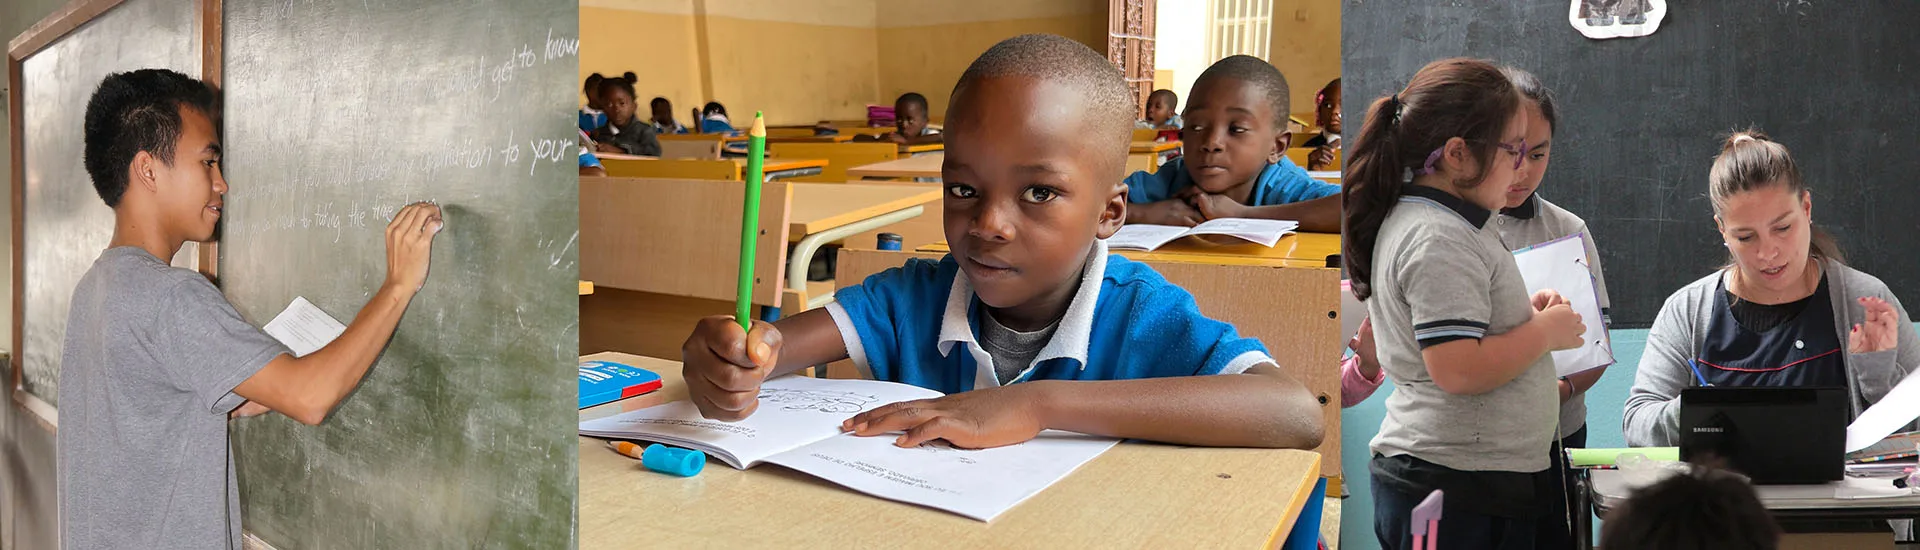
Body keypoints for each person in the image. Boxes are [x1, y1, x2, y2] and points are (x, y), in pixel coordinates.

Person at [678, 34, 1324, 452]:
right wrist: (731, 360)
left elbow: (1295, 413)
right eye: (962, 189)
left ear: (1110, 213)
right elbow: (769, 352)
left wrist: (1035, 403)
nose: (988, 224)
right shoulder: (912, 298)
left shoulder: (1141, 314)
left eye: (1038, 194)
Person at [57, 68, 444, 549]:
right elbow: (310, 398)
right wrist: (399, 285)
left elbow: (158, 406)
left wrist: (255, 382)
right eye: (207, 163)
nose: (222, 184)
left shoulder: (96, 289)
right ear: (148, 170)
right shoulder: (172, 297)